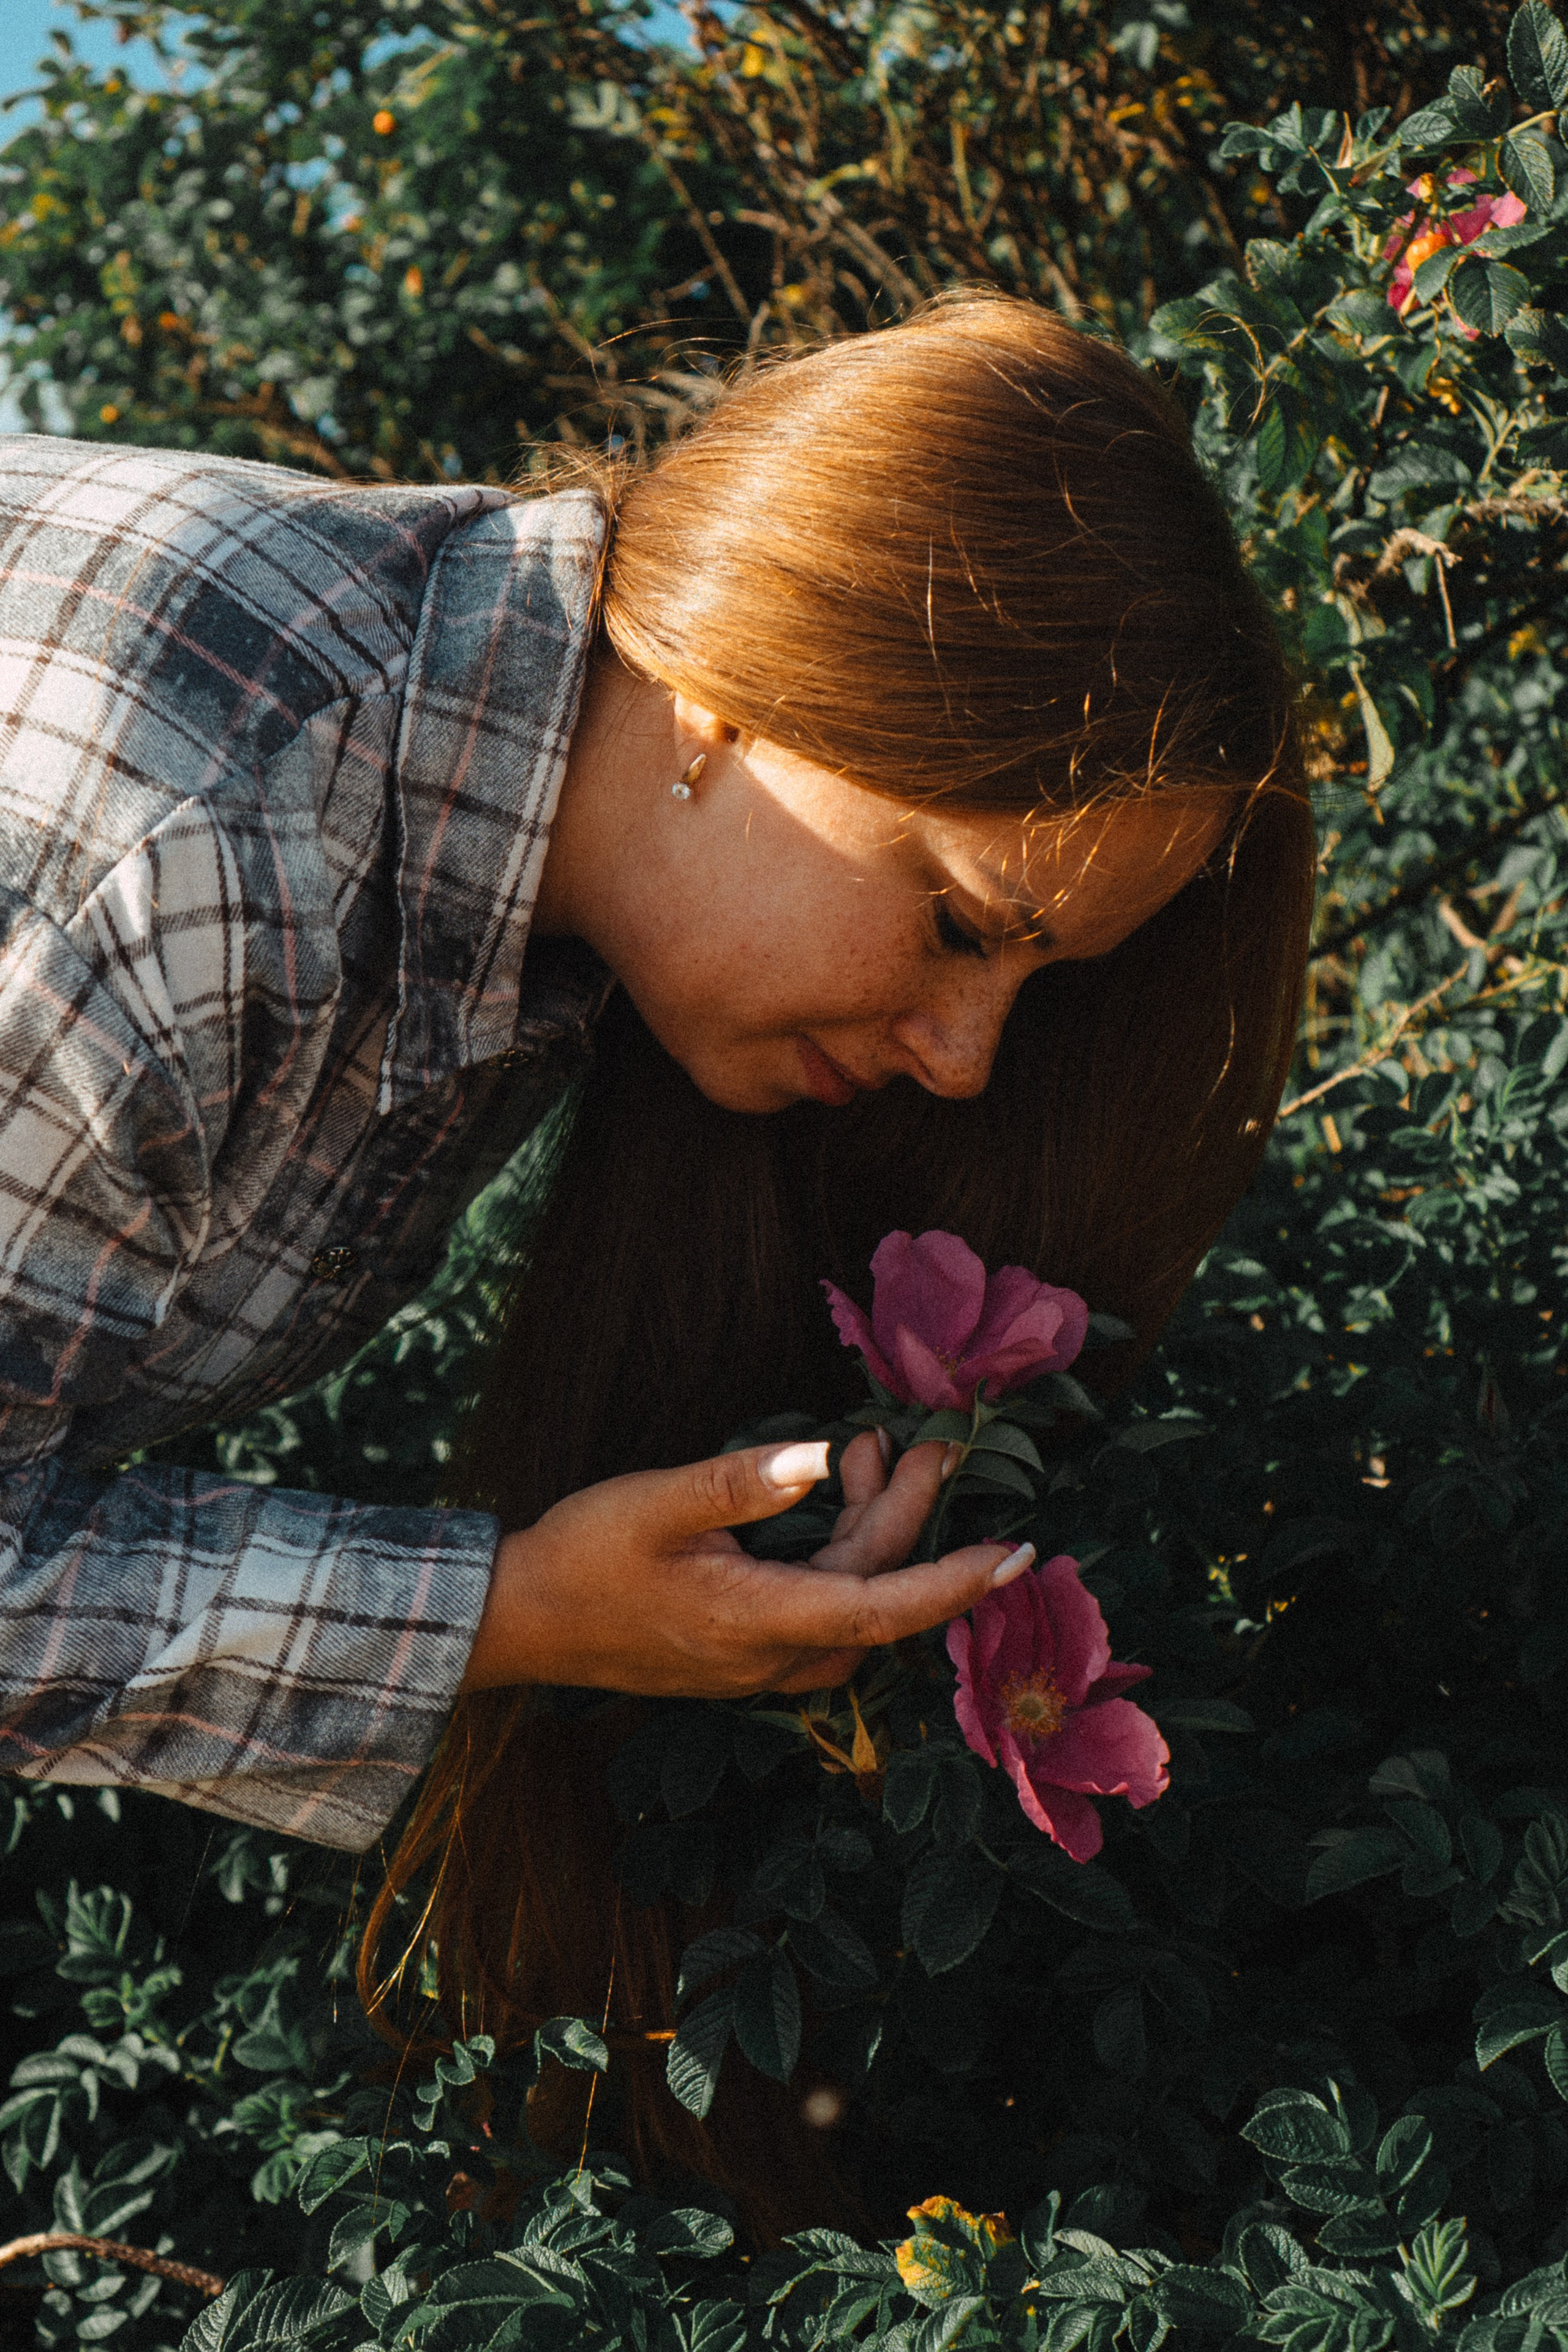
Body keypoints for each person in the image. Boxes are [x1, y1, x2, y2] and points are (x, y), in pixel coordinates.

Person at [0, 290, 1313, 2225]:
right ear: (736, 683)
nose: (963, 1059)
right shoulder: (205, 843)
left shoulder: (501, 850)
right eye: (961, 925)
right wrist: (508, 1614)